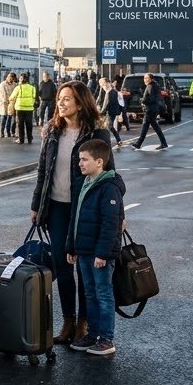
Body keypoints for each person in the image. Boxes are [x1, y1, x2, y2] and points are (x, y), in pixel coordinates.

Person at [31, 81, 120, 345]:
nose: (61, 103)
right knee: (62, 263)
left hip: (84, 209)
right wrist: (36, 205)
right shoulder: (52, 130)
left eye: (67, 99)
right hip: (56, 207)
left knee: (84, 267)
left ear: (80, 103)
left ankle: (84, 322)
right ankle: (68, 320)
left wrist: (119, 212)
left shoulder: (97, 134)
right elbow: (42, 171)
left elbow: (110, 175)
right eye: (59, 98)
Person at [65, 138, 124, 356]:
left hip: (99, 254)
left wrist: (102, 253)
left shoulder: (109, 187)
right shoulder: (84, 183)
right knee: (90, 294)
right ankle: (93, 334)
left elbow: (111, 224)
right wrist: (71, 247)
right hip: (84, 251)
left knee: (103, 294)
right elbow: (76, 217)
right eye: (80, 159)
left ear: (99, 162)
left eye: (84, 160)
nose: (79, 163)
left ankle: (106, 339)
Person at [132, 73, 169, 150]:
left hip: (150, 109)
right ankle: (163, 143)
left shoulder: (151, 86)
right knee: (153, 126)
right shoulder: (155, 85)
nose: (145, 80)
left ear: (151, 79)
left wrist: (143, 100)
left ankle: (138, 143)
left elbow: (151, 99)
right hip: (153, 109)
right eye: (144, 78)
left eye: (146, 78)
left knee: (145, 125)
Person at [11, 72, 38, 144]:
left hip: (20, 108)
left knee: (20, 125)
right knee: (29, 124)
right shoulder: (32, 88)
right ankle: (29, 139)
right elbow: (34, 97)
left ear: (21, 80)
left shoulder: (18, 87)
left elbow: (11, 97)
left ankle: (21, 139)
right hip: (29, 108)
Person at [98, 77, 124, 144]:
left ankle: (107, 141)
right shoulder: (111, 91)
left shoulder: (109, 92)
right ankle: (118, 139)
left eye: (102, 84)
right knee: (109, 126)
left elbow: (106, 104)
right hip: (112, 111)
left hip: (111, 112)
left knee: (109, 126)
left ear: (107, 83)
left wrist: (101, 112)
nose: (102, 86)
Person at [0, 72, 18, 139]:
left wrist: (12, 102)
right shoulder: (3, 84)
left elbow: (15, 93)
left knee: (10, 117)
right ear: (7, 77)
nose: (11, 79)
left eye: (12, 78)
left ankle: (8, 131)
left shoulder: (15, 84)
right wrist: (8, 101)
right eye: (9, 77)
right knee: (4, 117)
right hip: (4, 103)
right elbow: (3, 94)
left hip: (11, 103)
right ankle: (2, 131)